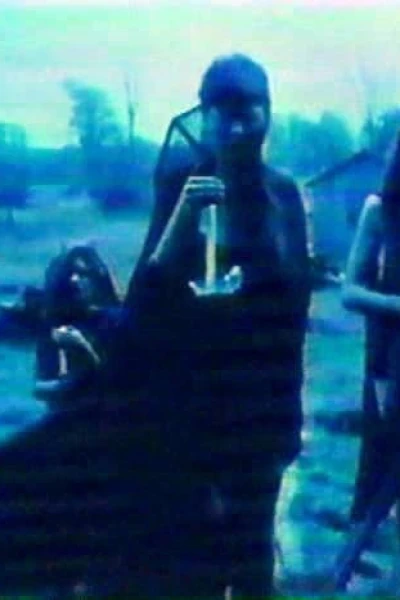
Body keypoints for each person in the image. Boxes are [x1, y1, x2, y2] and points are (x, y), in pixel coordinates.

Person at [117, 53, 311, 598]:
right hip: (189, 408)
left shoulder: (282, 195)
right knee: (194, 558)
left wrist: (289, 416)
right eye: (222, 112)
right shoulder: (181, 185)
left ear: (267, 113)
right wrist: (182, 220)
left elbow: (294, 315)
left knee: (252, 557)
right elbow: (142, 308)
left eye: (247, 111)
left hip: (261, 411)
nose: (235, 127)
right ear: (203, 116)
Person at [342, 132, 400, 590]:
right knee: (379, 479)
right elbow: (349, 291)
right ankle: (341, 574)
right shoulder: (380, 210)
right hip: (390, 365)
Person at [34, 244, 121, 407]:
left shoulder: (113, 322)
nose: (74, 279)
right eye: (69, 274)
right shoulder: (54, 327)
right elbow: (43, 385)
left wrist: (82, 349)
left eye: (82, 274)